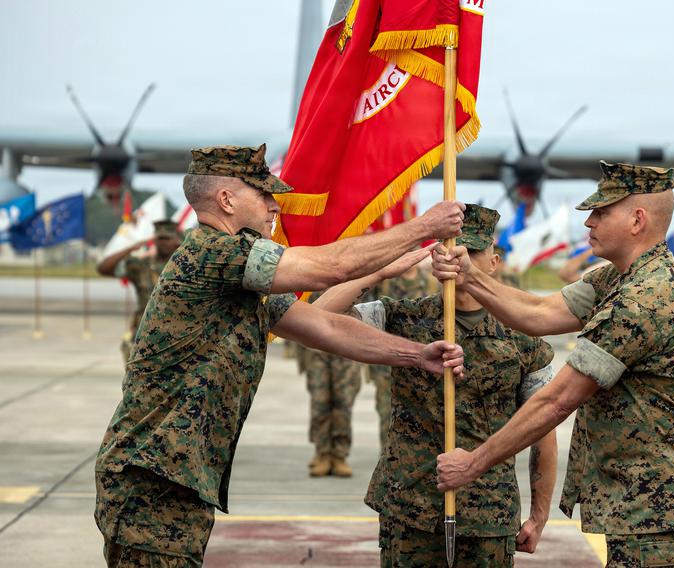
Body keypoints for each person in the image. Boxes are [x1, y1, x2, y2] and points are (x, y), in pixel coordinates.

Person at [94, 144, 466, 568]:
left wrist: (416, 354)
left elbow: (322, 325)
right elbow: (329, 268)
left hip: (174, 478)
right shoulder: (212, 253)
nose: (275, 206)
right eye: (264, 195)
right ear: (227, 200)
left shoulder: (237, 276)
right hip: (152, 480)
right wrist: (422, 226)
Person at [433, 163, 674, 567]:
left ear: (637, 220)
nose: (589, 221)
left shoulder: (645, 299)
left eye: (602, 212)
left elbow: (556, 401)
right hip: (649, 509)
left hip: (667, 516)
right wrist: (470, 277)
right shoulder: (618, 279)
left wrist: (474, 462)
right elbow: (538, 313)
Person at [314, 204, 558, 567]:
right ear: (433, 257)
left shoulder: (523, 334)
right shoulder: (404, 316)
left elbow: (543, 429)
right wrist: (379, 270)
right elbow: (321, 317)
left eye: (472, 251)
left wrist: (539, 516)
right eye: (449, 248)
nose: (459, 258)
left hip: (488, 513)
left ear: (494, 261)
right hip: (411, 507)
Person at [364, 257, 438, 448]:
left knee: (423, 417)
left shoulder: (431, 282)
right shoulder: (387, 283)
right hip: (387, 363)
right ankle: (388, 455)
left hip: (425, 363)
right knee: (386, 413)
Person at [294, 292, 364, 478]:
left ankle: (339, 455)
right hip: (315, 347)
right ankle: (323, 453)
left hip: (347, 344)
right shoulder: (311, 266)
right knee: (320, 401)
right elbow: (296, 307)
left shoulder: (356, 267)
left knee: (343, 402)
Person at [97, 220, 183, 363]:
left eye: (167, 239)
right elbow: (104, 269)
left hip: (177, 339)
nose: (162, 243)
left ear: (176, 240)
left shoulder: (185, 267)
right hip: (145, 338)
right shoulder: (142, 266)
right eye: (159, 239)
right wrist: (130, 249)